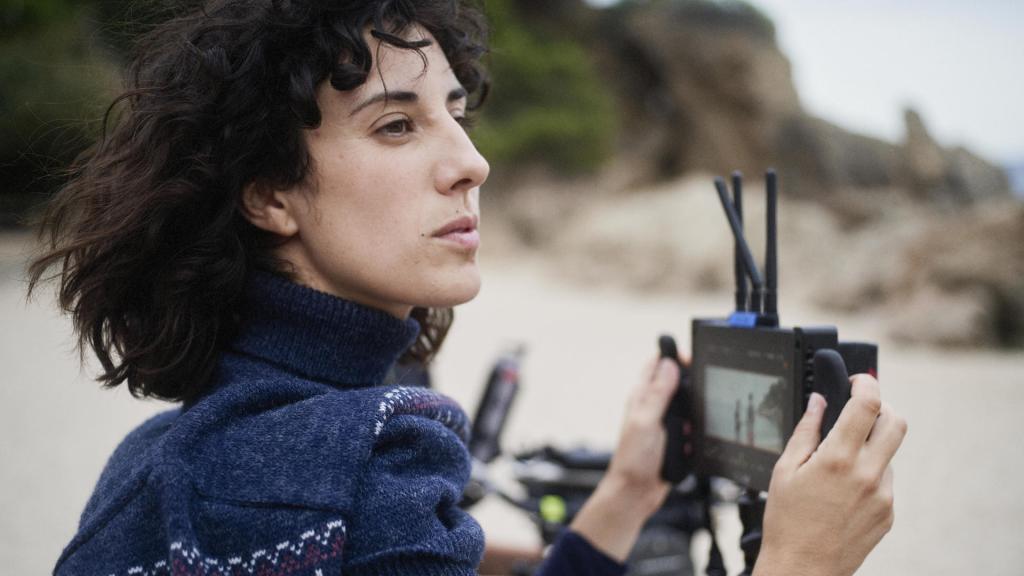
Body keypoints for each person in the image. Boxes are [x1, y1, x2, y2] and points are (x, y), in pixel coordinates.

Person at [28, 1, 907, 575]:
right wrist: (801, 562)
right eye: (398, 124)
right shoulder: (365, 463)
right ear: (268, 193)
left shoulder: (158, 459)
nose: (471, 162)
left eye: (457, 113)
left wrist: (627, 493)